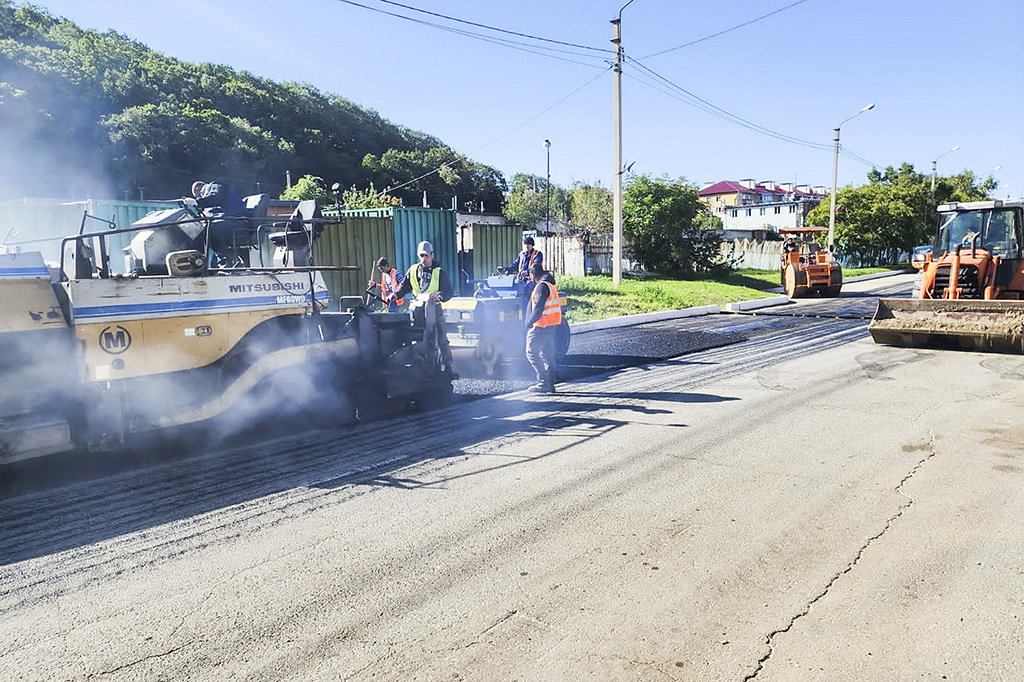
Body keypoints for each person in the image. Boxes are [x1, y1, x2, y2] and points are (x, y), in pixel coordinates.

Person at [387, 241, 456, 378]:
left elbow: (448, 291)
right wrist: (396, 294)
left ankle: (447, 366)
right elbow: (404, 286)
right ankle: (420, 365)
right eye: (421, 255)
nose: (424, 258)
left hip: (434, 311)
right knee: (417, 338)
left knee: (441, 338)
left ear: (432, 255)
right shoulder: (413, 270)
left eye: (426, 255)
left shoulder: (439, 272)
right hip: (417, 310)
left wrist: (440, 296)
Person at [185, 180, 248, 265]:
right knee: (200, 230)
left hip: (237, 221)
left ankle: (224, 262)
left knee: (212, 228)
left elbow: (216, 197)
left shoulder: (215, 186)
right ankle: (199, 263)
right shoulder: (209, 201)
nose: (199, 198)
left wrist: (198, 202)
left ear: (198, 189)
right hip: (227, 222)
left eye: (198, 196)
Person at [523, 261, 561, 393]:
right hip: (551, 325)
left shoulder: (541, 287)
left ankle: (543, 382)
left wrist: (529, 322)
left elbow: (538, 308)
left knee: (531, 352)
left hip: (541, 325)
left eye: (531, 276)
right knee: (547, 355)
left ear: (533, 274)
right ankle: (550, 384)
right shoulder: (550, 285)